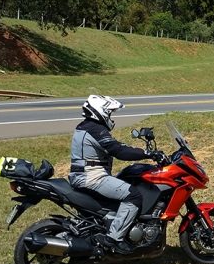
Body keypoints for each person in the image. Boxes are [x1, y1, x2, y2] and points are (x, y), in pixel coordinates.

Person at [69, 94, 163, 254]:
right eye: (109, 112)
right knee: (133, 196)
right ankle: (113, 239)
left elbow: (115, 146)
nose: (111, 116)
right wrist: (148, 153)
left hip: (86, 175)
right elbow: (118, 151)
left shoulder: (88, 127)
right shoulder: (94, 129)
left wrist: (137, 151)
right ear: (100, 112)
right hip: (91, 177)